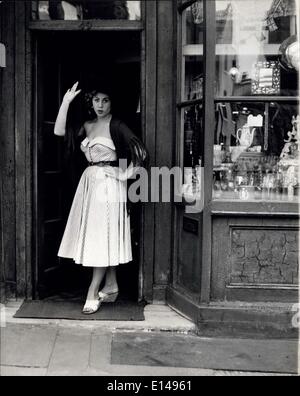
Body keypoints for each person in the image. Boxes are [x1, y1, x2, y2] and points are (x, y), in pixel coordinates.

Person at [54, 82, 149, 314]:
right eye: (96, 100)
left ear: (111, 102)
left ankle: (92, 291)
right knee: (100, 236)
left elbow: (141, 153)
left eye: (105, 100)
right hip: (90, 182)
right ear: (91, 102)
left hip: (108, 185)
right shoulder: (87, 125)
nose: (100, 105)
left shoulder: (116, 124)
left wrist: (122, 173)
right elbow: (58, 131)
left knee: (100, 238)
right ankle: (112, 284)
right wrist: (66, 102)